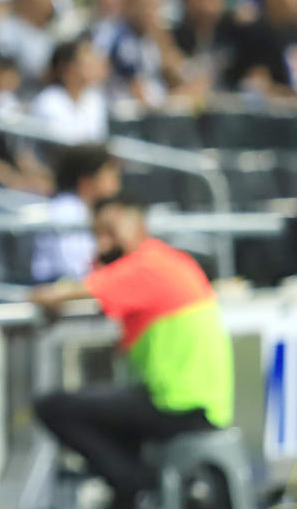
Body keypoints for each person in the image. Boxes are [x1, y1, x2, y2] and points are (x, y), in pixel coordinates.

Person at [31, 195, 234, 509]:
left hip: (179, 405)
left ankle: (135, 486)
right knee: (106, 416)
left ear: (139, 226)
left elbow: (68, 293)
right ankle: (129, 491)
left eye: (111, 231)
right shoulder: (166, 262)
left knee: (54, 407)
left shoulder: (147, 265)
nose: (103, 243)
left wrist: (45, 296)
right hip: (189, 402)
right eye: (97, 235)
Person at [31, 144, 121, 284]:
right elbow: (74, 272)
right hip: (59, 289)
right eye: (108, 173)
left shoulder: (95, 210)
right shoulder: (64, 212)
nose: (116, 180)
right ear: (87, 180)